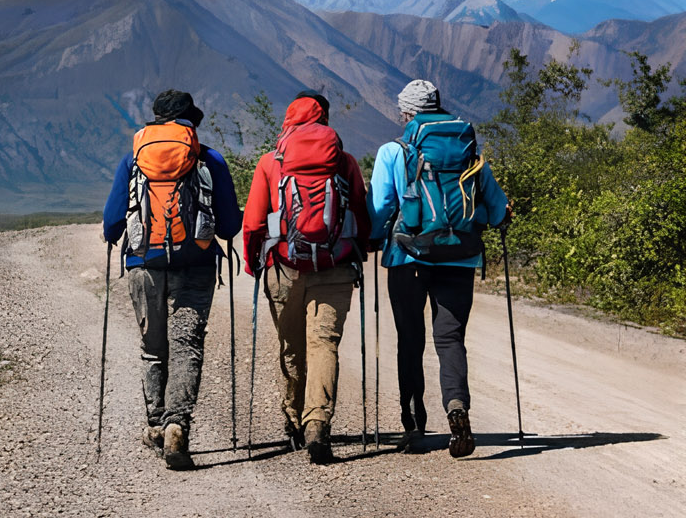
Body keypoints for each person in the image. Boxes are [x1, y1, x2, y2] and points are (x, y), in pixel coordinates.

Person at [103, 89, 241, 471]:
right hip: (195, 263)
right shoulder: (209, 158)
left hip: (144, 264)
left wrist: (117, 236)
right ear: (191, 120)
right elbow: (230, 225)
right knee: (186, 345)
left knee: (153, 347)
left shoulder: (133, 158)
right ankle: (178, 423)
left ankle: (155, 425)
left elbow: (113, 221)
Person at [370, 79, 509, 458]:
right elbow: (498, 210)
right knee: (450, 340)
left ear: (406, 113)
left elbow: (382, 206)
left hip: (407, 257)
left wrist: (370, 237)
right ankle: (456, 406)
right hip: (459, 257)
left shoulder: (394, 151)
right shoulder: (470, 151)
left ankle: (413, 424)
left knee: (410, 340)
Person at [241, 90, 372, 463]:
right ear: (325, 119)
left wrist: (254, 264)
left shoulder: (271, 162)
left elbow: (252, 222)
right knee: (324, 344)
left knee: (292, 346)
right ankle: (318, 424)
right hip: (336, 266)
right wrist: (361, 248)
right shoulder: (344, 162)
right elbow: (361, 214)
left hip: (284, 267)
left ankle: (293, 417)